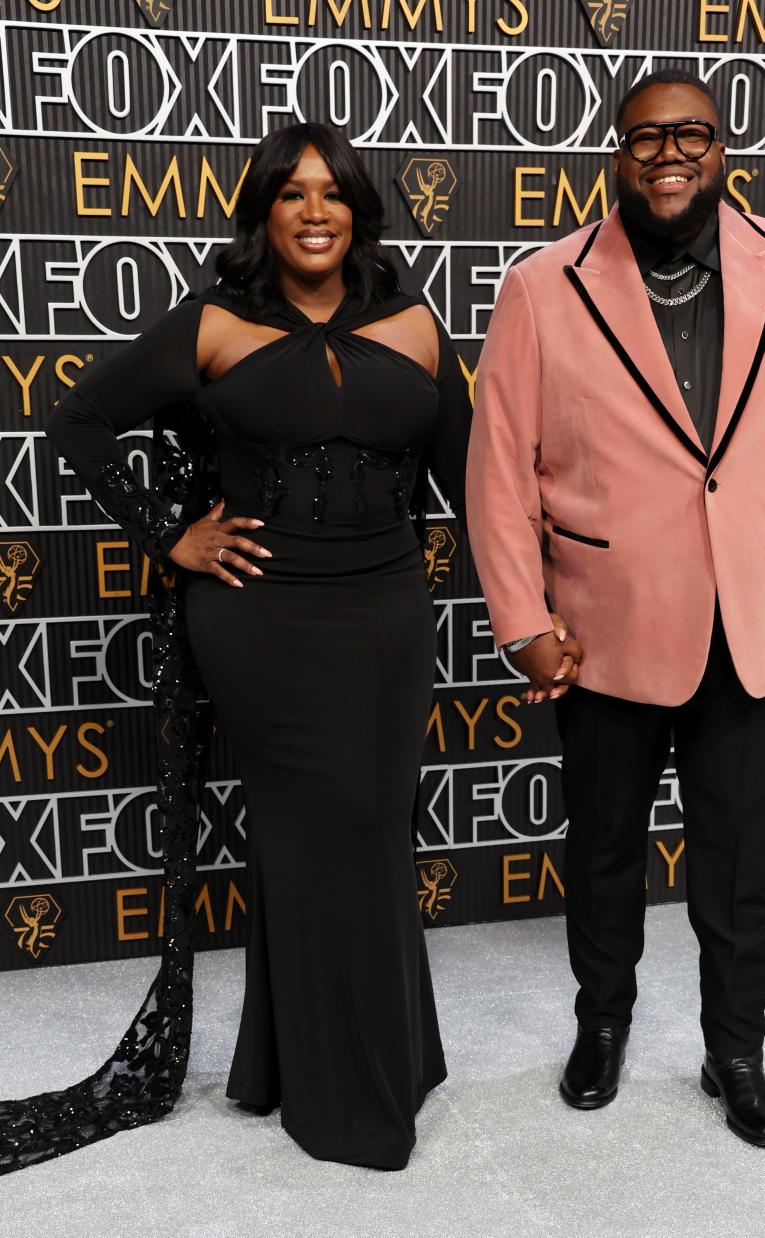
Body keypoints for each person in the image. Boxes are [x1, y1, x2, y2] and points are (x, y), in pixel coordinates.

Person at [1, 122, 471, 1174]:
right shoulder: (217, 320)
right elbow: (76, 420)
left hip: (389, 613)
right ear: (263, 211)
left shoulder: (415, 323)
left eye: (333, 192)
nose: (314, 210)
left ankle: (322, 1058)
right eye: (292, 193)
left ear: (360, 211)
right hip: (264, 620)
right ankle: (345, 1100)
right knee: (317, 832)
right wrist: (172, 536)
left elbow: (471, 478)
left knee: (374, 830)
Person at [465, 69, 765, 1148]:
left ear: (722, 150)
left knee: (744, 862)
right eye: (646, 136)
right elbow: (497, 473)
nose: (669, 153)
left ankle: (735, 1049)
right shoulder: (541, 286)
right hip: (605, 633)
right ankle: (602, 1022)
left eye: (691, 135)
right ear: (616, 154)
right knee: (605, 849)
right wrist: (522, 618)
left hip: (763, 625)